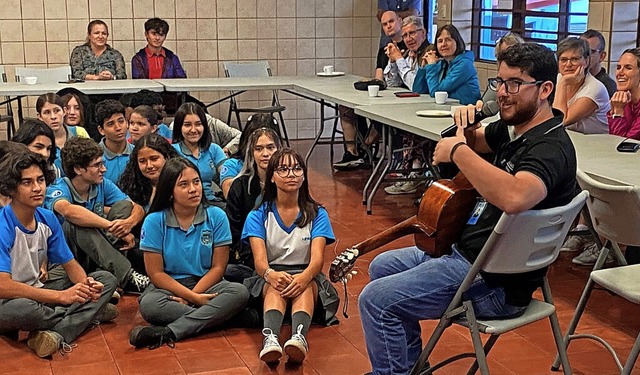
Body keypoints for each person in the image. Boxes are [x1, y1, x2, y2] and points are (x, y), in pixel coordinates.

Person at [358, 43, 580, 375]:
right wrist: (467, 124)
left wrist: (459, 149)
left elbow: (516, 196)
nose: (503, 93)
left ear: (545, 90)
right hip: (472, 257)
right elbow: (474, 142)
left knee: (375, 300)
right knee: (381, 266)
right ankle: (408, 368)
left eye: (514, 84)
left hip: (494, 283)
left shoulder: (549, 148)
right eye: (500, 83)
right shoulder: (516, 129)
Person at [0, 151, 117, 358]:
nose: (37, 188)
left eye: (40, 180)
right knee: (25, 308)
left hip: (38, 290)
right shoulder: (3, 225)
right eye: (27, 182)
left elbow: (70, 265)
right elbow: (3, 286)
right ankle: (88, 314)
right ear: (11, 188)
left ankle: (57, 331)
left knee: (106, 279)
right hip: (9, 301)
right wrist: (62, 297)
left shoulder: (47, 218)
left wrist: (87, 286)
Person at [129, 157, 250, 349]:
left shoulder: (216, 216)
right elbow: (156, 274)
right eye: (183, 185)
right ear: (169, 192)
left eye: (196, 182)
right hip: (168, 287)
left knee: (239, 292)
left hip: (207, 283)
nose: (193, 189)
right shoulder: (154, 221)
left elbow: (218, 268)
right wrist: (194, 300)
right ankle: (226, 317)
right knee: (150, 305)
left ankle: (168, 332)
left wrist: (192, 296)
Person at [242, 148, 339, 364]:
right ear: (272, 177)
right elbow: (259, 262)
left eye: (296, 169)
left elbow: (317, 261)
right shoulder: (258, 214)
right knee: (276, 288)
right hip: (272, 274)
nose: (291, 174)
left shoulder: (317, 213)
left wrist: (303, 277)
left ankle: (299, 338)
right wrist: (270, 275)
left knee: (304, 287)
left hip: (306, 273)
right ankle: (271, 339)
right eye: (283, 169)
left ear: (304, 175)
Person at [44, 137, 149, 294]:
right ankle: (127, 277)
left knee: (123, 207)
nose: (103, 169)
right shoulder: (58, 187)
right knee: (77, 223)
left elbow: (137, 207)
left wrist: (127, 224)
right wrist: (110, 226)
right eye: (97, 165)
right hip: (68, 258)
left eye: (103, 163)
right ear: (79, 169)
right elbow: (68, 211)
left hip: (98, 250)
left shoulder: (101, 184)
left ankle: (110, 274)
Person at [333, 10, 407, 171]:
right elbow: (379, 79)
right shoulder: (384, 50)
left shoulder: (409, 46)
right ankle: (352, 152)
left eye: (391, 22)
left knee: (379, 117)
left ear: (400, 21)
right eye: (385, 24)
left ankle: (365, 148)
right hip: (386, 94)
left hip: (403, 99)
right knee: (346, 106)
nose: (388, 26)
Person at [225, 127, 282, 283]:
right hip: (250, 256)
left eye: (271, 147)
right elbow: (234, 232)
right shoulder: (239, 186)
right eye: (259, 149)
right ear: (251, 153)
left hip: (284, 254)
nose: (265, 154)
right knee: (229, 272)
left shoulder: (289, 184)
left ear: (279, 150)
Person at [553, 37, 610, 134]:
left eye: (575, 59)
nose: (568, 64)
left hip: (596, 143)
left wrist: (563, 83)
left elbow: (559, 121)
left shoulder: (595, 88)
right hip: (571, 139)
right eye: (563, 59)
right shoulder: (556, 78)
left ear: (587, 61)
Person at [172, 103, 227, 203]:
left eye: (198, 124)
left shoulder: (214, 149)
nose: (193, 130)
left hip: (212, 202)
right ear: (179, 127)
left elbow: (227, 174)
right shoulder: (172, 151)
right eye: (187, 125)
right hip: (182, 203)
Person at [414, 24, 481, 105]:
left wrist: (431, 66)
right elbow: (417, 91)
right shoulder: (442, 63)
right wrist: (424, 68)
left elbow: (437, 93)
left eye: (448, 40)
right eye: (440, 41)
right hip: (446, 109)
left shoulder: (464, 64)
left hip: (466, 111)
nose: (443, 44)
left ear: (457, 41)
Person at [220, 113, 280, 199]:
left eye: (270, 147)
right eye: (258, 147)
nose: (265, 153)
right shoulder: (232, 165)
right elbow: (229, 196)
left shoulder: (284, 165)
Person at [119, 133, 179, 211]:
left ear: (167, 157)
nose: (149, 166)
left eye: (154, 159)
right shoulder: (130, 187)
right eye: (142, 161)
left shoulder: (180, 182)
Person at [95, 99, 135, 184]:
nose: (118, 127)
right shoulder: (94, 158)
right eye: (110, 124)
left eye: (121, 121)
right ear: (101, 130)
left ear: (127, 123)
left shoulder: (137, 153)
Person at [482, 32, 524, 103]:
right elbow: (484, 104)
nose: (506, 60)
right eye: (501, 56)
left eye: (511, 54)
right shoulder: (495, 84)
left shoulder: (527, 85)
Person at [609, 48, 640, 140]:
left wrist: (618, 113)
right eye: (618, 68)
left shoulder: (620, 104)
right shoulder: (623, 101)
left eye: (628, 68)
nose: (620, 73)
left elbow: (624, 143)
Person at [580, 29, 617, 98]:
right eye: (581, 51)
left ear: (602, 56)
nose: (584, 56)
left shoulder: (607, 85)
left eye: (590, 52)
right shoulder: (575, 79)